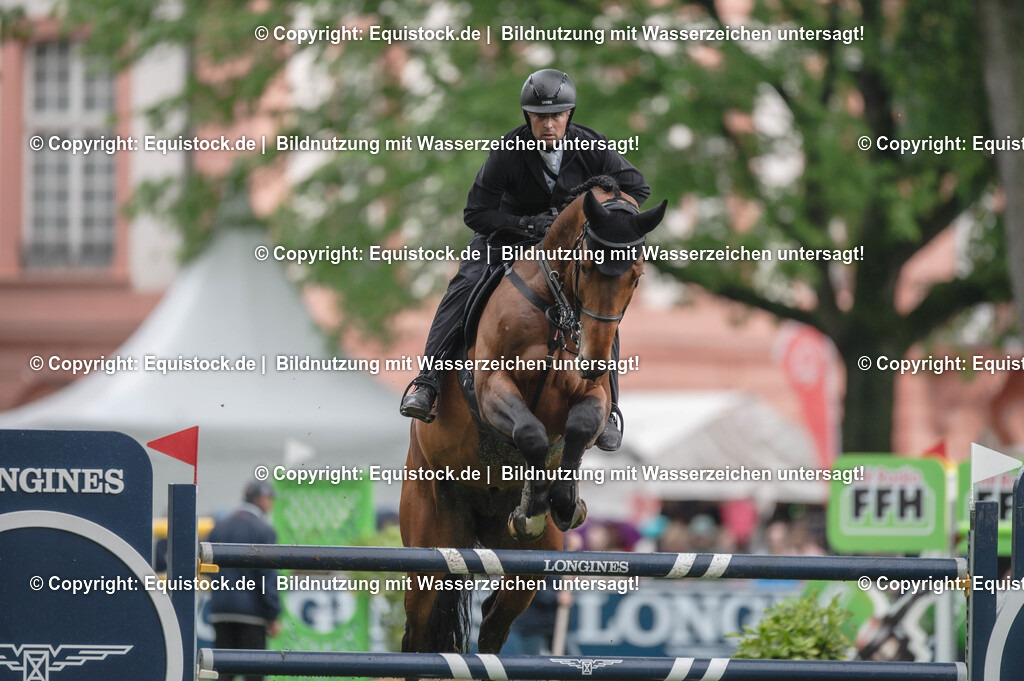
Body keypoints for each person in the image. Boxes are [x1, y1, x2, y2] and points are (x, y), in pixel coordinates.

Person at [400, 69, 650, 451]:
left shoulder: (590, 146)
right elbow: (475, 213)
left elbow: (637, 188)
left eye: (556, 116)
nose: (548, 125)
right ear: (527, 117)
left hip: (565, 250)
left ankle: (610, 406)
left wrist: (601, 216)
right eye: (539, 117)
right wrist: (525, 223)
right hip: (504, 240)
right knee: (463, 285)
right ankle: (429, 382)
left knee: (601, 300)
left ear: (569, 114)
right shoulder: (508, 151)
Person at [207, 481, 282, 681]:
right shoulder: (264, 530)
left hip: (221, 609)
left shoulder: (219, 527)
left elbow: (206, 567)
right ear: (261, 498)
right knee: (254, 672)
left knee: (223, 671)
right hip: (252, 612)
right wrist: (273, 614)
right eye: (270, 499)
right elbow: (267, 576)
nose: (271, 504)